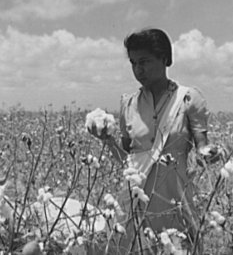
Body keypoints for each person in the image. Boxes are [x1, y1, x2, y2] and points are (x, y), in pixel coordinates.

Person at [89, 28, 211, 254]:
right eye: (133, 63)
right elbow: (127, 163)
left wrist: (210, 154)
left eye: (144, 61)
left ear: (165, 59)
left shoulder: (188, 99)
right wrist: (107, 140)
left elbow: (203, 149)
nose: (138, 70)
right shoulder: (128, 104)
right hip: (135, 204)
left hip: (174, 203)